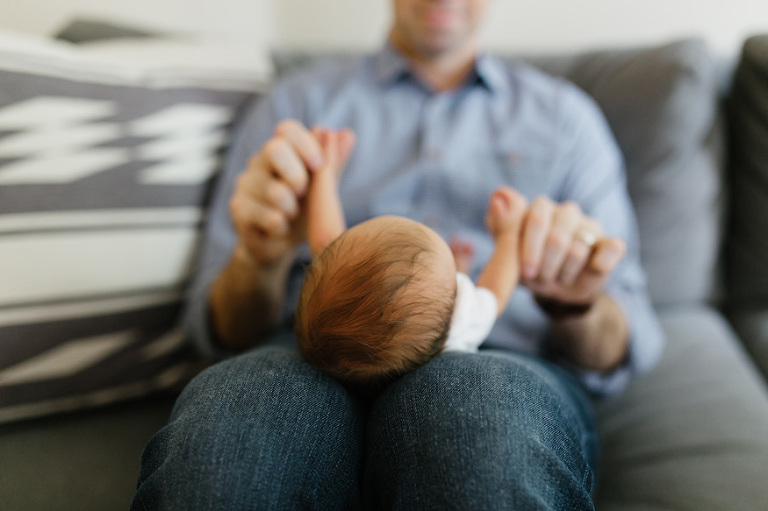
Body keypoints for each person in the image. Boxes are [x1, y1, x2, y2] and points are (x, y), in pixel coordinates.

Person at [132, 0, 665, 509]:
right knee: (236, 422)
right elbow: (218, 329)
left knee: (476, 413)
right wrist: (262, 258)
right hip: (309, 349)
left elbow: (629, 338)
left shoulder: (567, 119)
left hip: (500, 361)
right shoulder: (296, 105)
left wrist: (577, 302)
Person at [297, 128, 528, 389]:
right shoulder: (458, 325)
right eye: (455, 283)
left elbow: (324, 237)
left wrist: (323, 174)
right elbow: (495, 293)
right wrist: (510, 235)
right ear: (457, 307)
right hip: (432, 388)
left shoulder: (334, 282)